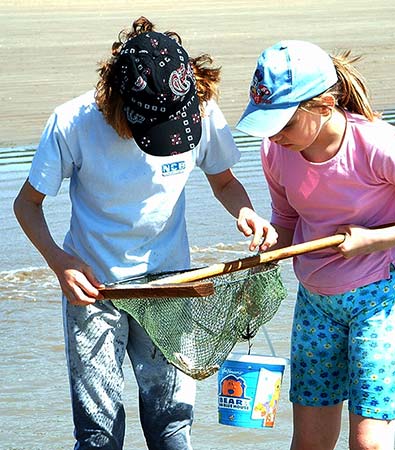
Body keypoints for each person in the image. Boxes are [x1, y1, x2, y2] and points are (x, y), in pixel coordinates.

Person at [13, 17, 277, 450]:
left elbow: (224, 181)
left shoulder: (200, 108)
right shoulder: (72, 122)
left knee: (172, 428)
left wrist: (246, 212)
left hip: (172, 290)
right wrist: (59, 262)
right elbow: (27, 204)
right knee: (98, 434)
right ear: (118, 102)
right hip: (96, 291)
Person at [236, 40, 395, 450]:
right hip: (317, 301)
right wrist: (268, 243)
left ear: (324, 104)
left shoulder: (377, 145)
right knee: (310, 443)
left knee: (368, 442)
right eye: (266, 124)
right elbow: (286, 219)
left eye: (282, 122)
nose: (274, 135)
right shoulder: (275, 151)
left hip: (383, 296)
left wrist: (376, 240)